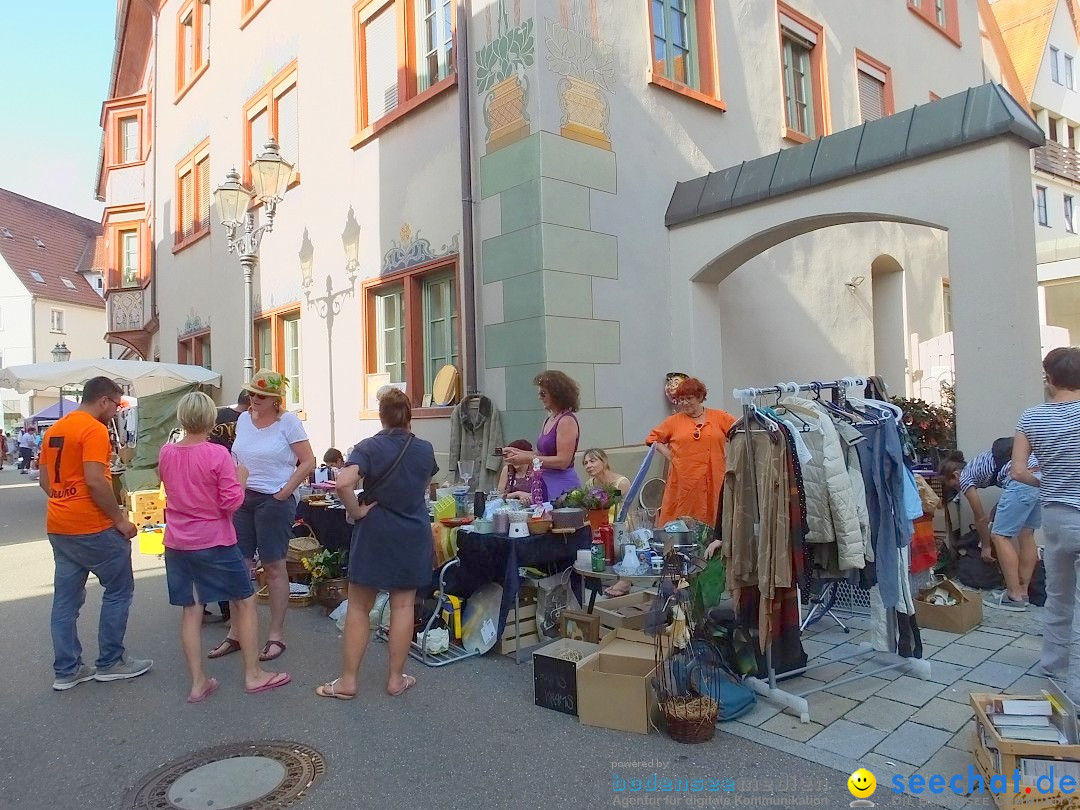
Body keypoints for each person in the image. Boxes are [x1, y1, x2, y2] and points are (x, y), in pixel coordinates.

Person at [158, 392, 290, 702]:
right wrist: (241, 478)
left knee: (191, 611)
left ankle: (197, 681)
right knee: (244, 602)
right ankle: (254, 674)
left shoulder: (166, 452)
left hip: (178, 542)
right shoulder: (217, 454)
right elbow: (231, 503)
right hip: (215, 540)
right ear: (211, 420)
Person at [316, 388, 438, 699]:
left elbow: (343, 482)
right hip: (412, 531)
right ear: (408, 415)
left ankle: (348, 682)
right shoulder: (424, 449)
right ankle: (395, 679)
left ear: (381, 416)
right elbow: (425, 488)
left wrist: (355, 511)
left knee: (359, 606)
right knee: (402, 605)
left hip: (376, 531)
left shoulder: (368, 447)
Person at [38, 376, 153, 691]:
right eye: (116, 405)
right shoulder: (94, 429)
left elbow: (45, 481)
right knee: (118, 590)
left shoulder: (55, 429)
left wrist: (64, 499)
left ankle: (67, 669)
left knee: (65, 601)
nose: (116, 412)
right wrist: (119, 520)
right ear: (104, 400)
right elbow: (95, 480)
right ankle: (111, 662)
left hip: (59, 525)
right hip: (91, 525)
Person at [207, 369, 316, 664]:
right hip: (244, 498)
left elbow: (308, 461)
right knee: (239, 564)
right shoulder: (243, 419)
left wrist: (284, 492)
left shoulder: (288, 422)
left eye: (260, 395)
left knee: (273, 566)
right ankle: (237, 631)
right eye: (251, 393)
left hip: (274, 500)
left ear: (275, 399)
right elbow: (238, 457)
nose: (253, 399)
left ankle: (276, 635)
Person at [1013, 347, 1080, 699]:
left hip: (1055, 516)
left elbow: (1019, 471)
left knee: (1059, 594)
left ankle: (1053, 665)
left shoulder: (1032, 417)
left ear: (1050, 378)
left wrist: (1049, 483)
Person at [939, 447, 1040, 612]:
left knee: (1000, 536)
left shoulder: (964, 477)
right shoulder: (977, 464)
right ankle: (1023, 592)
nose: (956, 489)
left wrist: (985, 546)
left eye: (952, 484)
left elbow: (980, 517)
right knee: (1026, 534)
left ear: (956, 474)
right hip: (1038, 478)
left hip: (1020, 481)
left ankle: (1013, 596)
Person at [646, 377, 736, 545]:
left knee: (715, 515)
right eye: (681, 399)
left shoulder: (720, 417)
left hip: (713, 478)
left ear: (700, 397)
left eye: (689, 398)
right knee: (682, 522)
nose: (685, 403)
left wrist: (731, 458)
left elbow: (739, 432)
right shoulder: (673, 421)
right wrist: (669, 454)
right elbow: (652, 439)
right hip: (684, 482)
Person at [205, 391, 252, 623]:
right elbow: (233, 500)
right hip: (227, 482)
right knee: (224, 555)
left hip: (207, 492)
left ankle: (201, 605)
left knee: (204, 559)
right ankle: (228, 610)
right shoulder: (242, 422)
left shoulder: (219, 415)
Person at [502, 370, 582, 502]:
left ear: (557, 394)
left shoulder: (566, 421)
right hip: (543, 483)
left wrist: (527, 459)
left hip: (562, 488)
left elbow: (563, 461)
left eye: (543, 393)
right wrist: (515, 452)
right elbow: (540, 454)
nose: (540, 397)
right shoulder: (549, 419)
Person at [583, 448, 633, 596]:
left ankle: (625, 580)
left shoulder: (621, 482)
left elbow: (614, 505)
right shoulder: (589, 484)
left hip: (618, 520)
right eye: (585, 463)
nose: (588, 466)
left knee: (617, 531)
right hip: (598, 521)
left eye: (593, 461)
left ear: (604, 461)